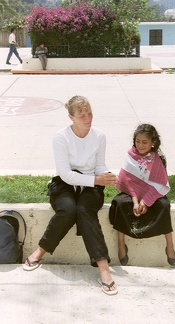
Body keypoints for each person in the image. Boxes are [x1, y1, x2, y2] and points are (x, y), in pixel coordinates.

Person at [23, 95, 118, 296]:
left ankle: (103, 268)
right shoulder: (60, 137)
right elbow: (65, 173)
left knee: (85, 210)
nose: (87, 118)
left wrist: (105, 175)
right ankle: (41, 250)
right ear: (71, 117)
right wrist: (95, 181)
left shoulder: (99, 135)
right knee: (68, 209)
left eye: (89, 113)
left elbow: (99, 164)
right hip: (65, 183)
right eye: (81, 115)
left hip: (92, 183)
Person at [109, 123, 175, 267]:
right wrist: (135, 201)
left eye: (145, 142)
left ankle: (170, 245)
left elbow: (160, 183)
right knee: (120, 204)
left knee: (164, 205)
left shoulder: (156, 159)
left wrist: (145, 201)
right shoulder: (130, 156)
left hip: (151, 193)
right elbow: (127, 181)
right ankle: (121, 244)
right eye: (137, 141)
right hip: (131, 193)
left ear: (153, 143)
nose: (140, 145)